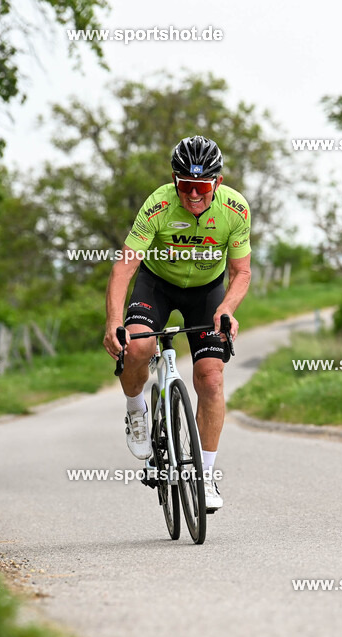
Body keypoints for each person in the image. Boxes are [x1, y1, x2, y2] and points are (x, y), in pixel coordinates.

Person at [103, 135, 251, 511]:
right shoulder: (159, 205)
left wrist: (228, 309)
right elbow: (126, 263)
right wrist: (113, 320)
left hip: (206, 291)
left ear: (216, 183)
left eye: (202, 187)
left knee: (211, 378)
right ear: (174, 180)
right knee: (137, 346)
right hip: (157, 285)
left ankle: (204, 474)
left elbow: (241, 271)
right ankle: (136, 408)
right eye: (186, 186)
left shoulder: (235, 209)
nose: (194, 195)